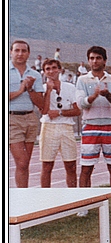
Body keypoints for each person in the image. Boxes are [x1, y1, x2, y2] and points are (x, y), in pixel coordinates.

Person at [75, 46, 111, 215]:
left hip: (110, 126)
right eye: (91, 58)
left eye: (98, 58)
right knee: (86, 167)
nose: (94, 61)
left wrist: (106, 94)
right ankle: (83, 205)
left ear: (105, 60)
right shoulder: (82, 80)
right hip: (90, 126)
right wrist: (93, 96)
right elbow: (81, 103)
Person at [39, 58, 80, 187]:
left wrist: (60, 112)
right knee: (47, 165)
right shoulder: (42, 88)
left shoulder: (70, 87)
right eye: (48, 69)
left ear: (60, 70)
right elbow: (44, 111)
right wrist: (49, 91)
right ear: (44, 72)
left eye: (54, 68)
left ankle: (73, 199)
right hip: (49, 127)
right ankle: (45, 200)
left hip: (66, 127)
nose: (51, 71)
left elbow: (77, 110)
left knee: (71, 165)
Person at [9, 39, 44, 187]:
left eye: (23, 51)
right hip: (11, 118)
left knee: (25, 164)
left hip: (30, 118)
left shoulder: (35, 74)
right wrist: (21, 89)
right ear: (11, 52)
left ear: (28, 53)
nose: (20, 54)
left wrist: (30, 89)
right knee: (22, 162)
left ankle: (24, 195)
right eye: (17, 50)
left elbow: (41, 103)